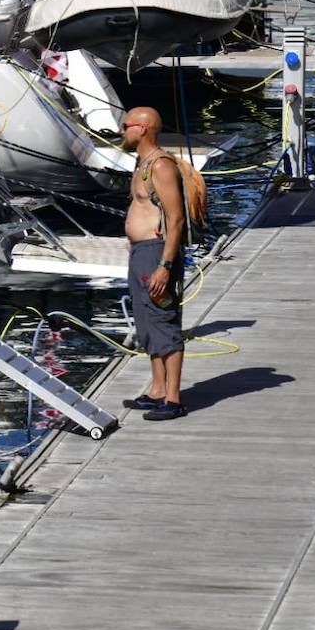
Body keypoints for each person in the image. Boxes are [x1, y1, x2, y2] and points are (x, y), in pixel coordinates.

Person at [119, 106, 188, 421]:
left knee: (163, 320)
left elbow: (176, 219)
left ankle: (173, 399)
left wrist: (165, 264)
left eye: (125, 126)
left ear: (143, 129)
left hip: (157, 253)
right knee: (146, 322)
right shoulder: (141, 162)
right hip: (141, 252)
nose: (122, 131)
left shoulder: (160, 165)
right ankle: (157, 389)